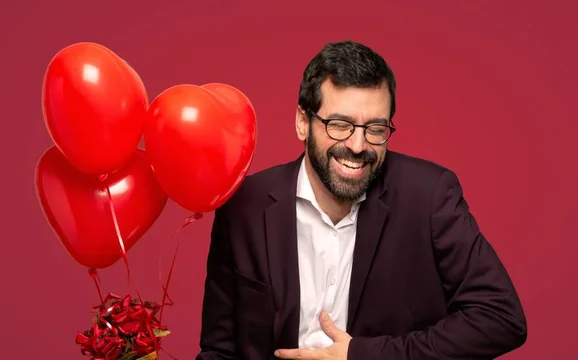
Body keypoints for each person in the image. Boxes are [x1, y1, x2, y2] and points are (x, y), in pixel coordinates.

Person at [195, 40, 527, 360]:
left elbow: (500, 318)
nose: (357, 145)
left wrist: (364, 355)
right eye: (339, 125)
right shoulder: (244, 206)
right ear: (302, 122)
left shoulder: (429, 196)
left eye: (375, 128)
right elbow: (220, 350)